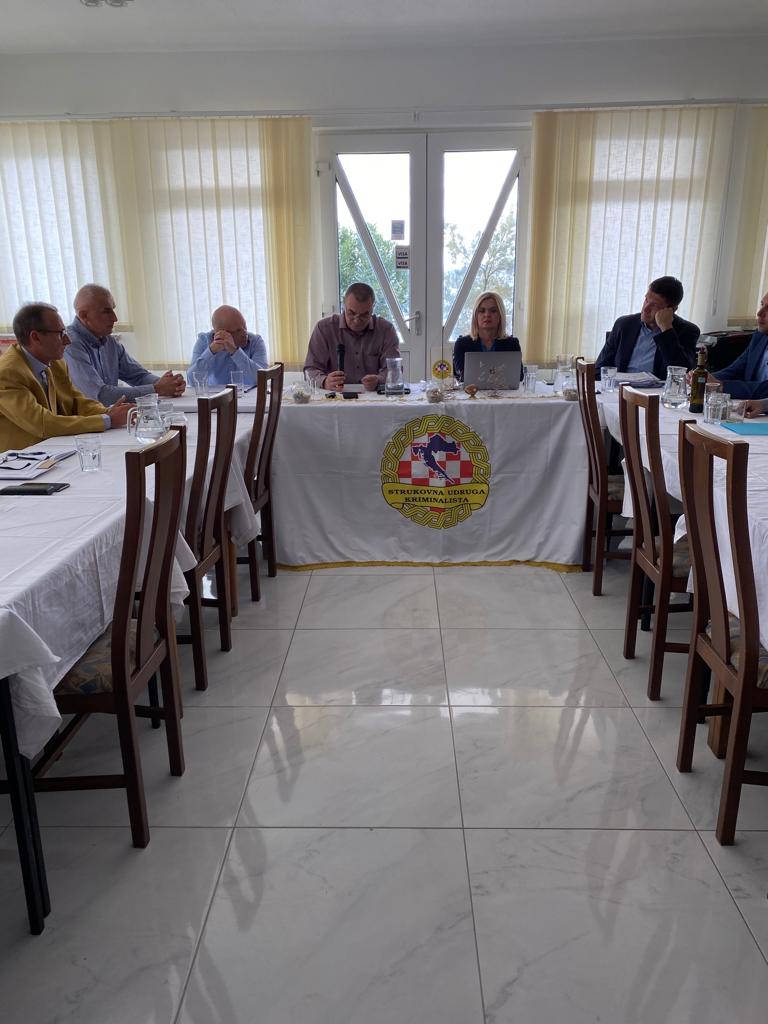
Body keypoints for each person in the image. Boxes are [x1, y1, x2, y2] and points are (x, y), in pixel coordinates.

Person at [0, 302, 132, 450]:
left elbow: (76, 402)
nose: (67, 341)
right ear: (36, 337)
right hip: (20, 459)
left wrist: (110, 412)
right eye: (60, 334)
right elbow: (43, 423)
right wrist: (107, 420)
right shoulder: (6, 374)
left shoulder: (56, 362)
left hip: (54, 450)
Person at [65, 283, 186, 404]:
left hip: (111, 414)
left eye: (113, 310)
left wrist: (170, 383)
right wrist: (157, 389)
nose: (115, 318)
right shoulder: (69, 344)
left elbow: (138, 376)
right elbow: (101, 395)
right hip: (88, 416)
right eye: (106, 311)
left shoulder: (110, 342)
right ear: (84, 315)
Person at [595, 276, 699, 378]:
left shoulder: (687, 331)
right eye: (646, 300)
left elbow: (682, 373)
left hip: (657, 389)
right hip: (619, 387)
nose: (645, 308)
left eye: (654, 305)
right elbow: (599, 369)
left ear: (671, 309)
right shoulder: (624, 324)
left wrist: (666, 329)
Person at [304, 282, 400, 391]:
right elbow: (310, 369)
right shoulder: (324, 328)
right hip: (334, 395)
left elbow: (394, 370)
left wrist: (379, 379)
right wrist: (324, 381)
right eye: (351, 313)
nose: (357, 320)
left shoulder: (386, 330)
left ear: (373, 308)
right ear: (343, 305)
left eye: (364, 315)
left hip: (373, 395)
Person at [187, 305, 268, 387]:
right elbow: (192, 381)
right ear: (222, 333)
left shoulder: (255, 342)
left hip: (248, 394)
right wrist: (211, 351)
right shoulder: (204, 341)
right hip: (216, 394)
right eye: (238, 330)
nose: (245, 333)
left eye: (245, 326)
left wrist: (235, 352)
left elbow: (262, 378)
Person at [709, 292, 768, 399]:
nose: (759, 313)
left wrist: (721, 386)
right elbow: (735, 370)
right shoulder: (760, 337)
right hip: (747, 406)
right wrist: (703, 378)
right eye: (762, 305)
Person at [452, 291, 522, 381]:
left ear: (500, 315)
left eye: (493, 311)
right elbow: (461, 376)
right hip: (472, 390)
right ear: (475, 316)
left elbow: (519, 376)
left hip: (503, 390)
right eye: (482, 311)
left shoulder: (512, 344)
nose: (487, 315)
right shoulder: (462, 344)